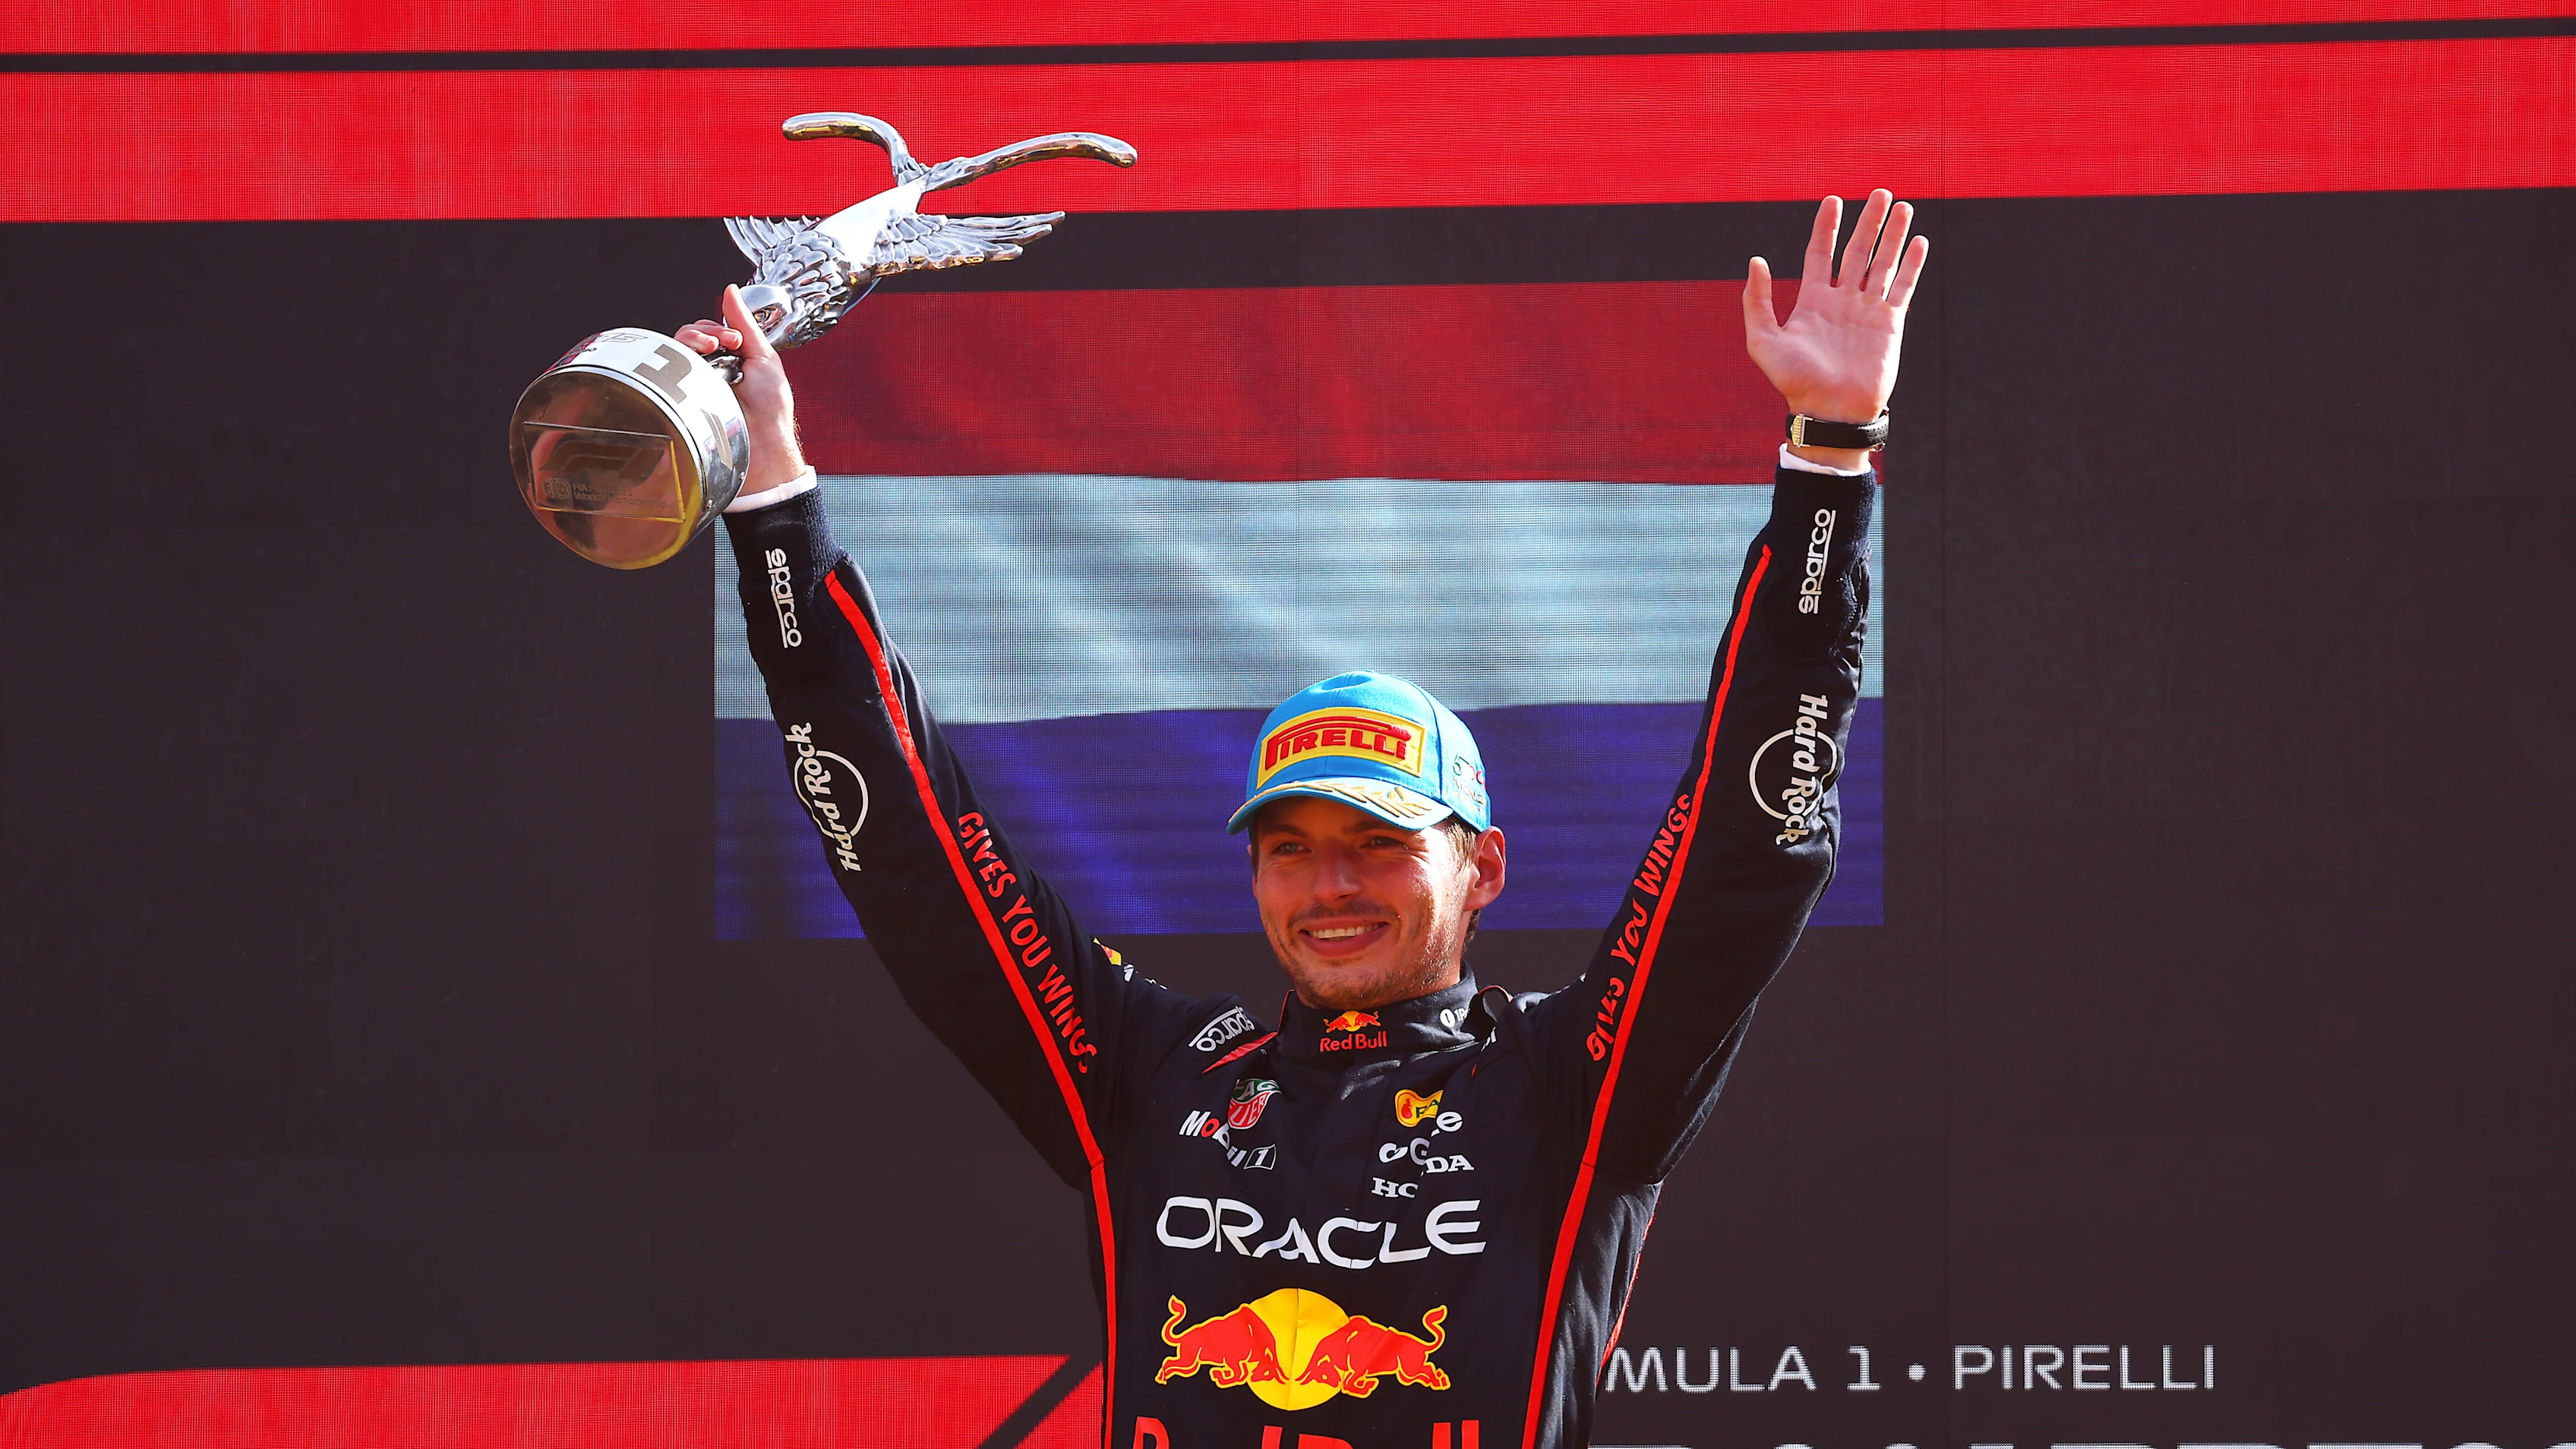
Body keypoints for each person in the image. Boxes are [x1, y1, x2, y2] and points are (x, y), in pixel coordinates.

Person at [683, 189, 1926, 1449]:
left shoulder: (1566, 1088)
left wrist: (1829, 455)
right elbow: (913, 856)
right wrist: (772, 502)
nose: (1331, 885)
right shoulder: (1153, 1077)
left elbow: (1744, 854)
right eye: (1291, 848)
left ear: (1483, 867)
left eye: (1381, 842)